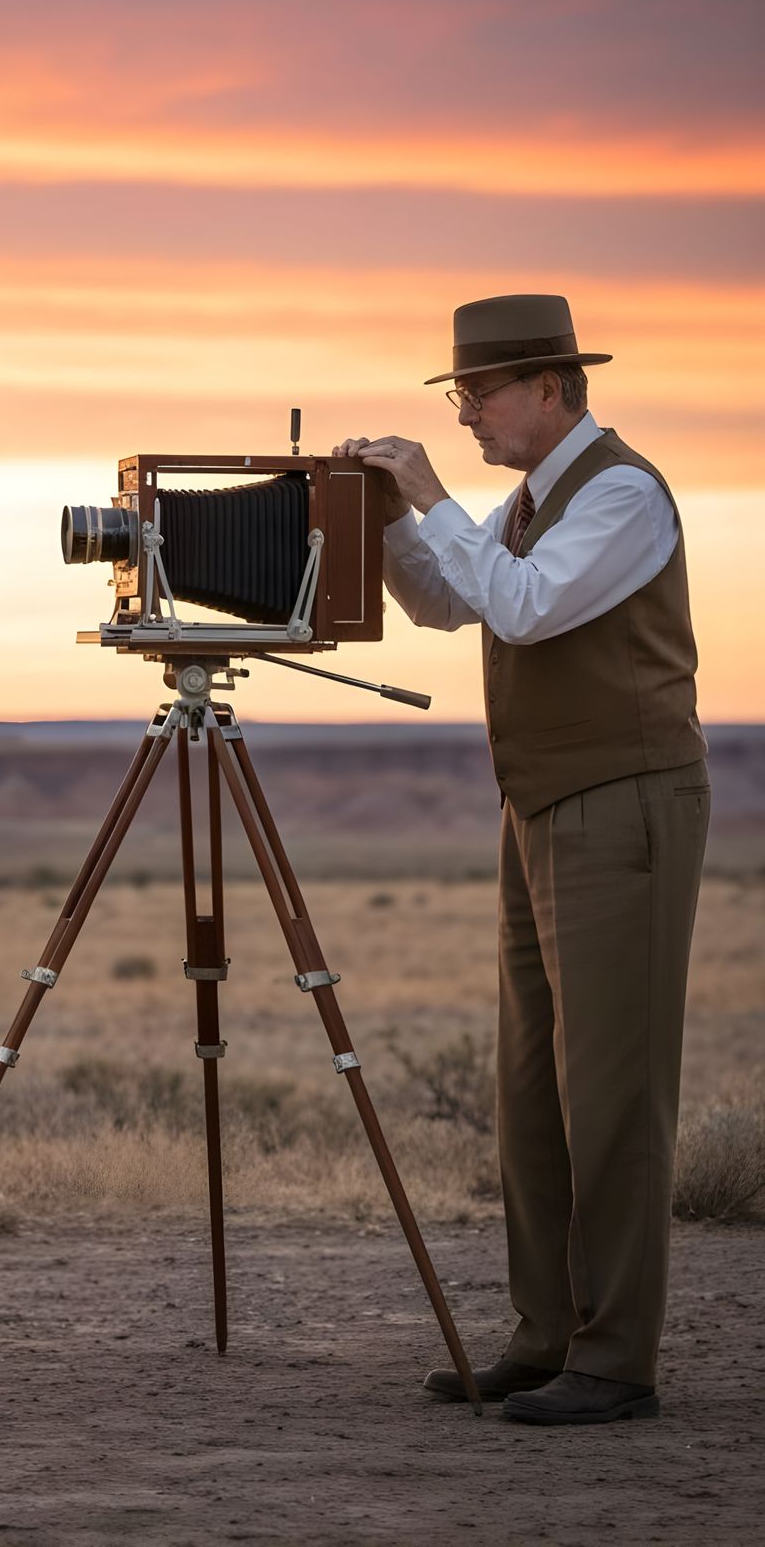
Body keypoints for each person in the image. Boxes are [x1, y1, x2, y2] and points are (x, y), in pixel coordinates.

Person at [334, 294, 709, 1426]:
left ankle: (616, 1356)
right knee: (533, 1087)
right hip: (542, 807)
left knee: (611, 1090)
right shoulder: (527, 502)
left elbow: (529, 610)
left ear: (551, 387)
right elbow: (452, 602)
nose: (465, 416)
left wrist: (433, 499)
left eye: (479, 394)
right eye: (456, 397)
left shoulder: (622, 495)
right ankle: (545, 1333)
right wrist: (388, 516)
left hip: (623, 805)